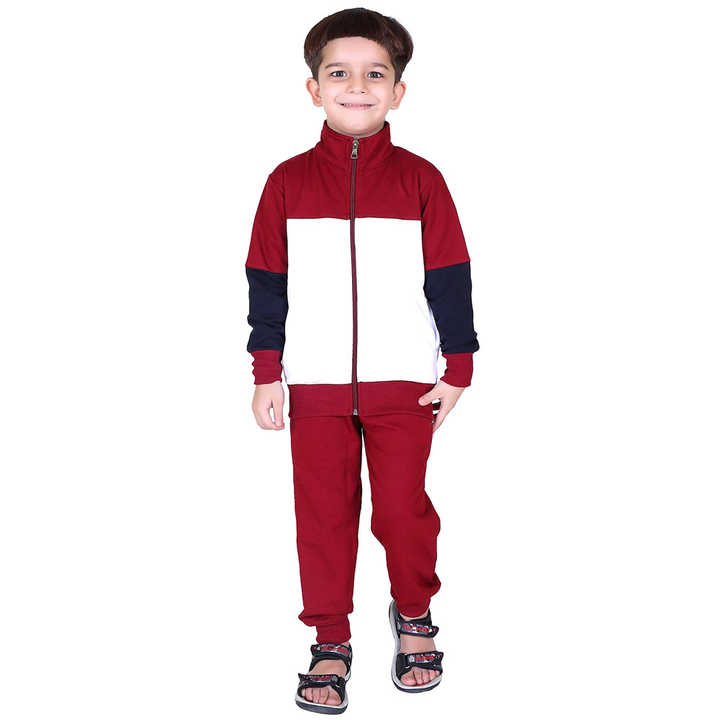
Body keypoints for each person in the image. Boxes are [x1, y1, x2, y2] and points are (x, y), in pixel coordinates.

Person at [245, 8, 479, 713]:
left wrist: (459, 366)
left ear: (397, 91)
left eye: (375, 74)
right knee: (321, 515)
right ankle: (330, 637)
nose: (357, 86)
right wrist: (266, 372)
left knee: (404, 512)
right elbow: (266, 282)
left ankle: (414, 611)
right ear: (313, 89)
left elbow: (450, 277)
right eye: (338, 73)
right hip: (314, 387)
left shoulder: (422, 180)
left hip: (403, 384)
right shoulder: (286, 183)